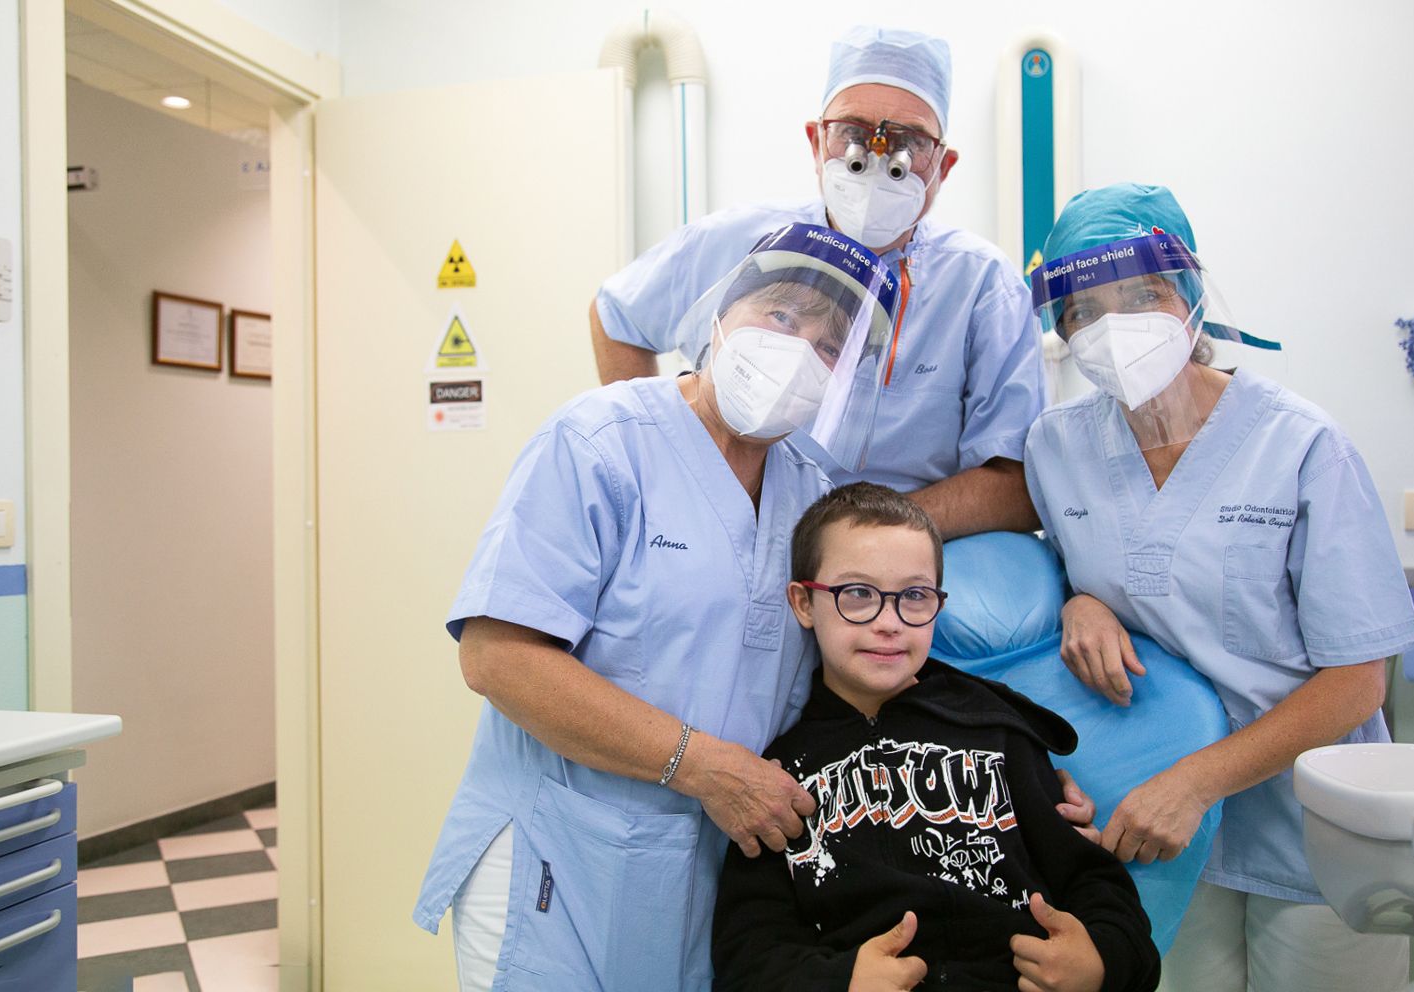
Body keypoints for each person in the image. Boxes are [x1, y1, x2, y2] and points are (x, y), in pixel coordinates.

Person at [412, 223, 899, 991]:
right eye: (779, 317)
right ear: (719, 316)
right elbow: (497, 657)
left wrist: (1019, 768)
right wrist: (702, 766)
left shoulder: (814, 495)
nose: (799, 351)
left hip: (712, 875)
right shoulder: (598, 441)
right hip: (560, 861)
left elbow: (865, 665)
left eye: (830, 346)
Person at [1022, 183, 1414, 992]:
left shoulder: (1302, 445)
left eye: (1144, 295)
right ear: (1062, 328)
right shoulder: (1055, 446)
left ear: (1193, 297)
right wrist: (1083, 600)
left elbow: (1356, 682)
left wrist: (1194, 783)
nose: (1115, 325)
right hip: (1158, 840)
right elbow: (1077, 566)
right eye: (1085, 308)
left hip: (1312, 830)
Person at [590, 25, 1046, 538]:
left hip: (904, 536)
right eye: (853, 132)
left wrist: (860, 535)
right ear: (816, 142)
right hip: (736, 521)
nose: (876, 158)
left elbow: (1014, 481)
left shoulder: (982, 283)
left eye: (908, 143)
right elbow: (616, 316)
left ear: (943, 166)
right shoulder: (744, 240)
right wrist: (664, 461)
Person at [712, 483, 1161, 992]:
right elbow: (747, 951)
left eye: (914, 596)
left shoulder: (996, 731)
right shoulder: (778, 778)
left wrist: (1100, 963)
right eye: (857, 594)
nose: (889, 623)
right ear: (804, 603)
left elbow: (1096, 884)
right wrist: (838, 982)